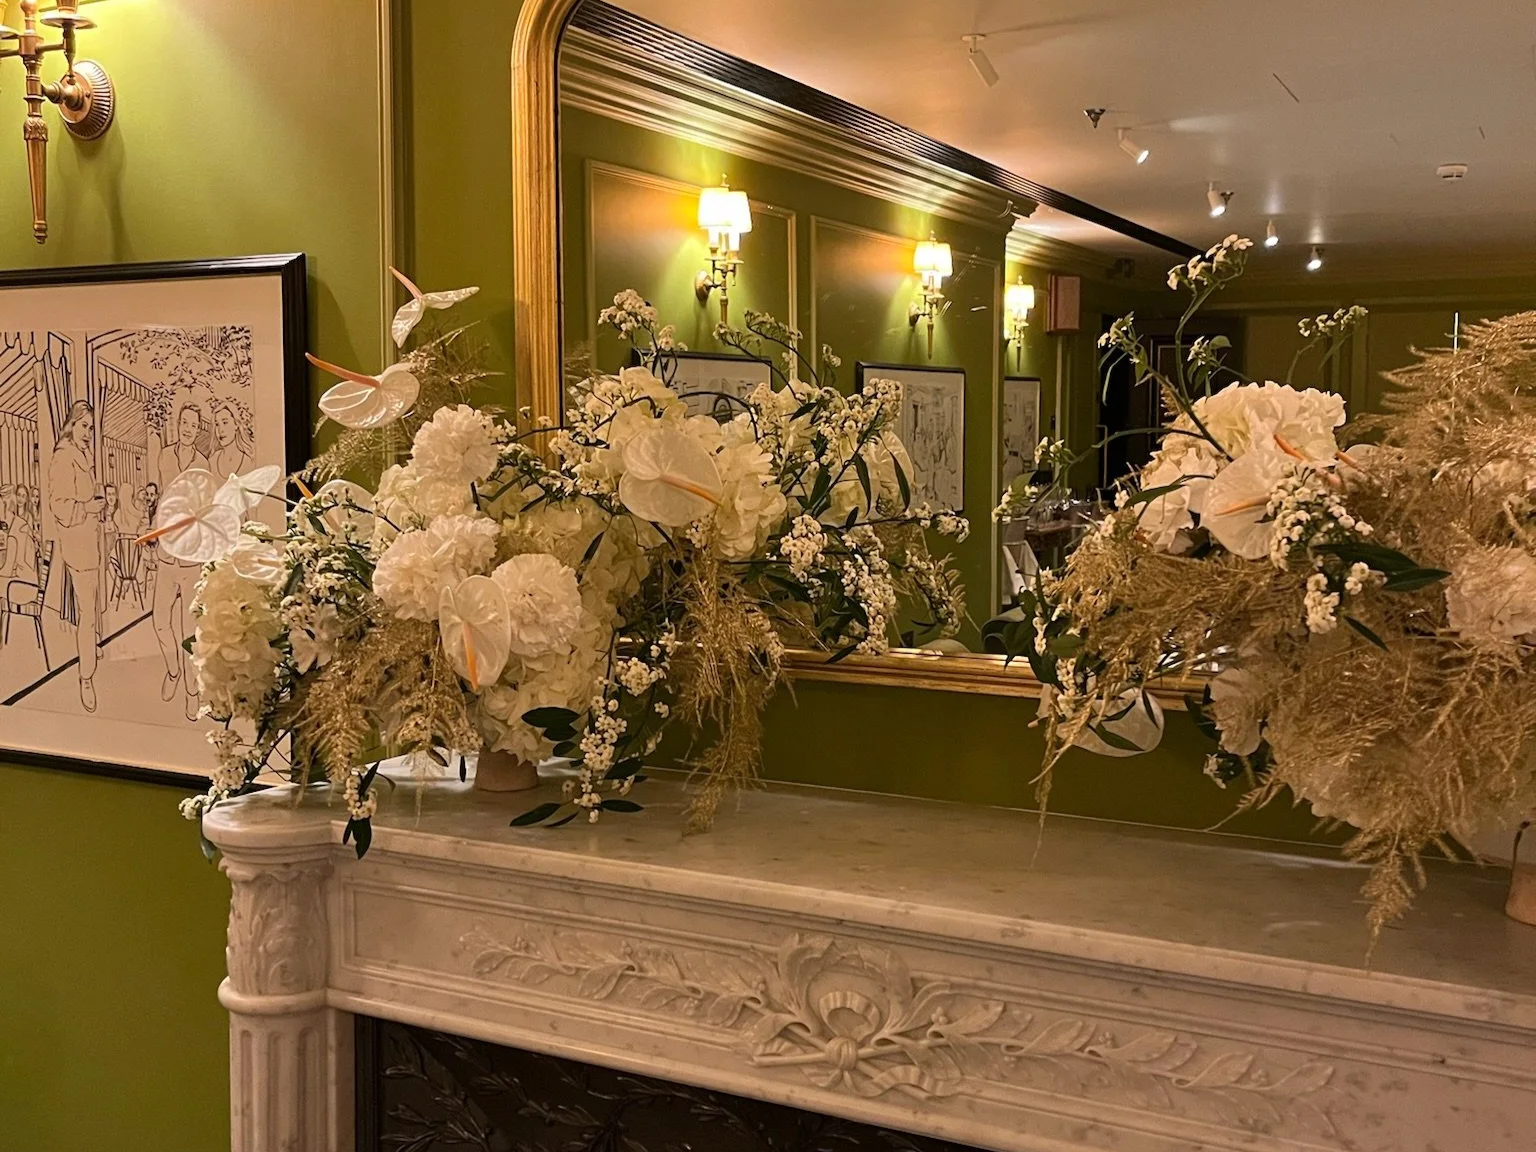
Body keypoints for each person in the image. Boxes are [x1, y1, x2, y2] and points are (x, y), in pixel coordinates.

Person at [152, 401, 210, 721]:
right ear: (177, 424)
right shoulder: (164, 455)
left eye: (193, 425)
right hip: (164, 552)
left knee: (190, 629)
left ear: (197, 429)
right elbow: (161, 496)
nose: (187, 429)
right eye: (184, 423)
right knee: (160, 619)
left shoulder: (202, 463)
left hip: (190, 557)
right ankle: (173, 670)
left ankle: (191, 690)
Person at [48, 401, 104, 712]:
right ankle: (86, 676)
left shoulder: (83, 457)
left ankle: (90, 652)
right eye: (84, 426)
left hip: (90, 541)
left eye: (92, 428)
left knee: (90, 608)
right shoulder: (63, 458)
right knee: (86, 612)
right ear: (71, 425)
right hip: (77, 545)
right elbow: (60, 506)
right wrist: (88, 507)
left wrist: (95, 504)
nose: (88, 433)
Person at [210, 399, 252, 481]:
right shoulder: (212, 461)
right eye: (217, 424)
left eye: (225, 423)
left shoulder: (248, 461)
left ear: (236, 424)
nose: (220, 430)